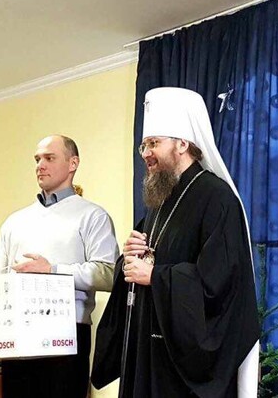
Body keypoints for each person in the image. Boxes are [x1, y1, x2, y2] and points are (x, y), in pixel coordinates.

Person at [92, 87, 260, 398]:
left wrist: (155, 276)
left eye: (154, 143)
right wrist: (130, 258)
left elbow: (220, 284)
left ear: (182, 144)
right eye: (144, 145)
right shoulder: (160, 200)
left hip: (183, 369)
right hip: (148, 353)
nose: (145, 153)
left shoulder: (217, 198)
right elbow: (143, 268)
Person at [0, 135, 119, 397]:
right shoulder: (15, 221)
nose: (40, 165)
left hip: (66, 337)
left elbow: (110, 274)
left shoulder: (93, 216)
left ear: (73, 163)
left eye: (49, 158)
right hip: (16, 335)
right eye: (37, 159)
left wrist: (53, 270)